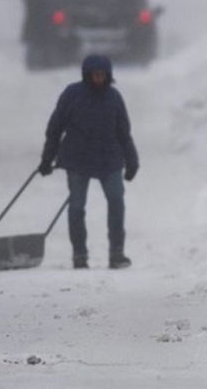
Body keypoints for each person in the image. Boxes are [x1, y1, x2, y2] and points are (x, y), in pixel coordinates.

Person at [38, 54, 139, 269]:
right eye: (95, 74)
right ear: (87, 75)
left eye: (102, 75)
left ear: (108, 76)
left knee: (116, 202)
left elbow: (124, 132)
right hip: (77, 159)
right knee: (76, 207)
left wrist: (132, 160)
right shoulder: (72, 95)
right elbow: (55, 128)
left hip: (109, 160)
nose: (98, 78)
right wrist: (47, 158)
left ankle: (117, 253)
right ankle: (79, 255)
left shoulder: (114, 98)